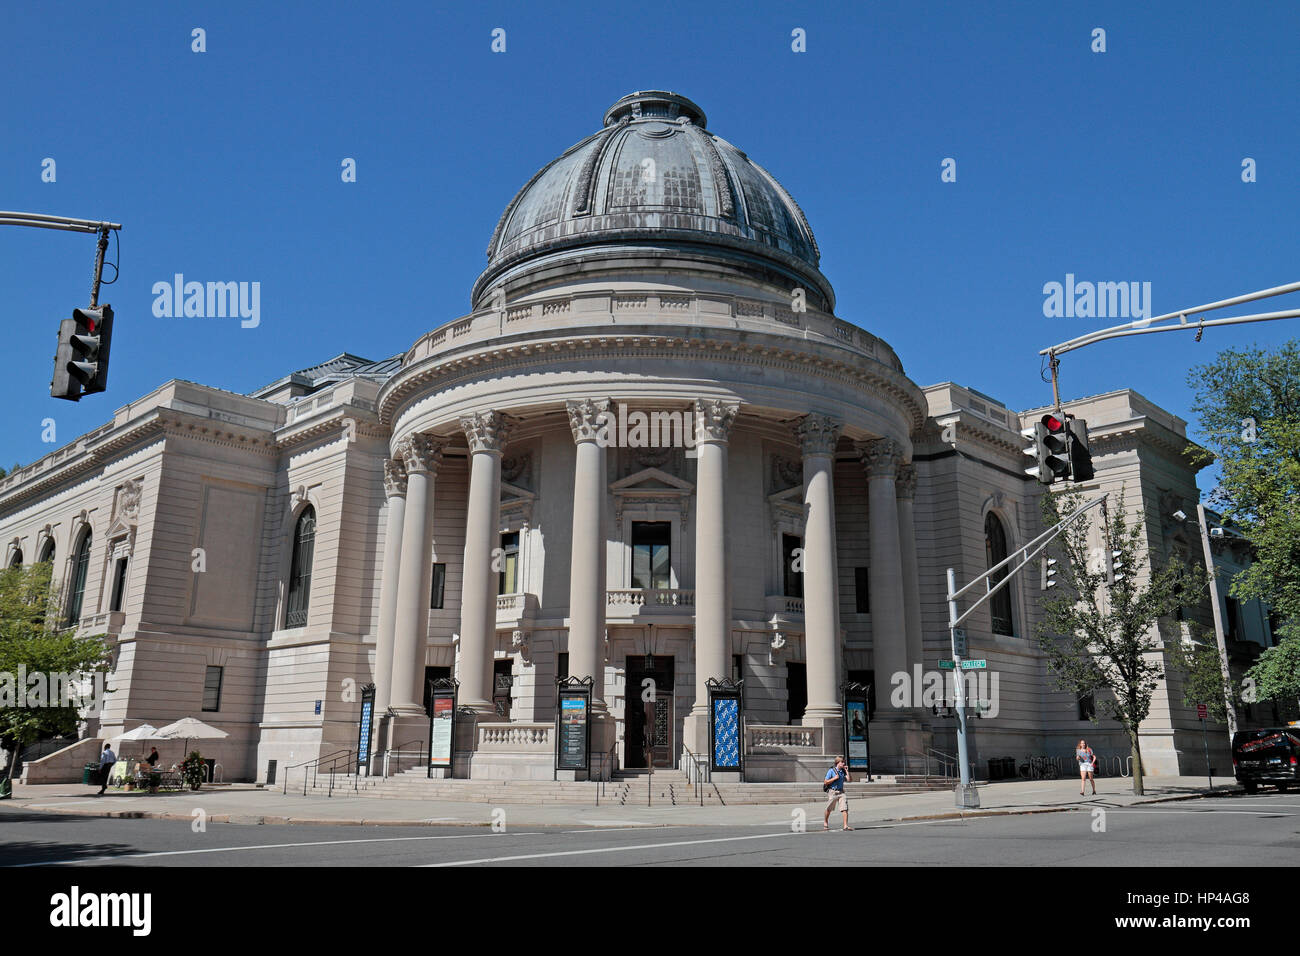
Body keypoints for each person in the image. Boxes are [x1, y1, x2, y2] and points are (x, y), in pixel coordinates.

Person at [823, 756, 852, 831]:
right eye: (842, 762)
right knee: (829, 809)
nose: (843, 763)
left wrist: (847, 771)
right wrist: (834, 778)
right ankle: (825, 822)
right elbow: (825, 782)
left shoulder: (842, 771)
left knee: (844, 808)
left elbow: (849, 780)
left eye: (843, 762)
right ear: (837, 763)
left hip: (841, 792)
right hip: (833, 792)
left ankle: (845, 825)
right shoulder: (831, 771)